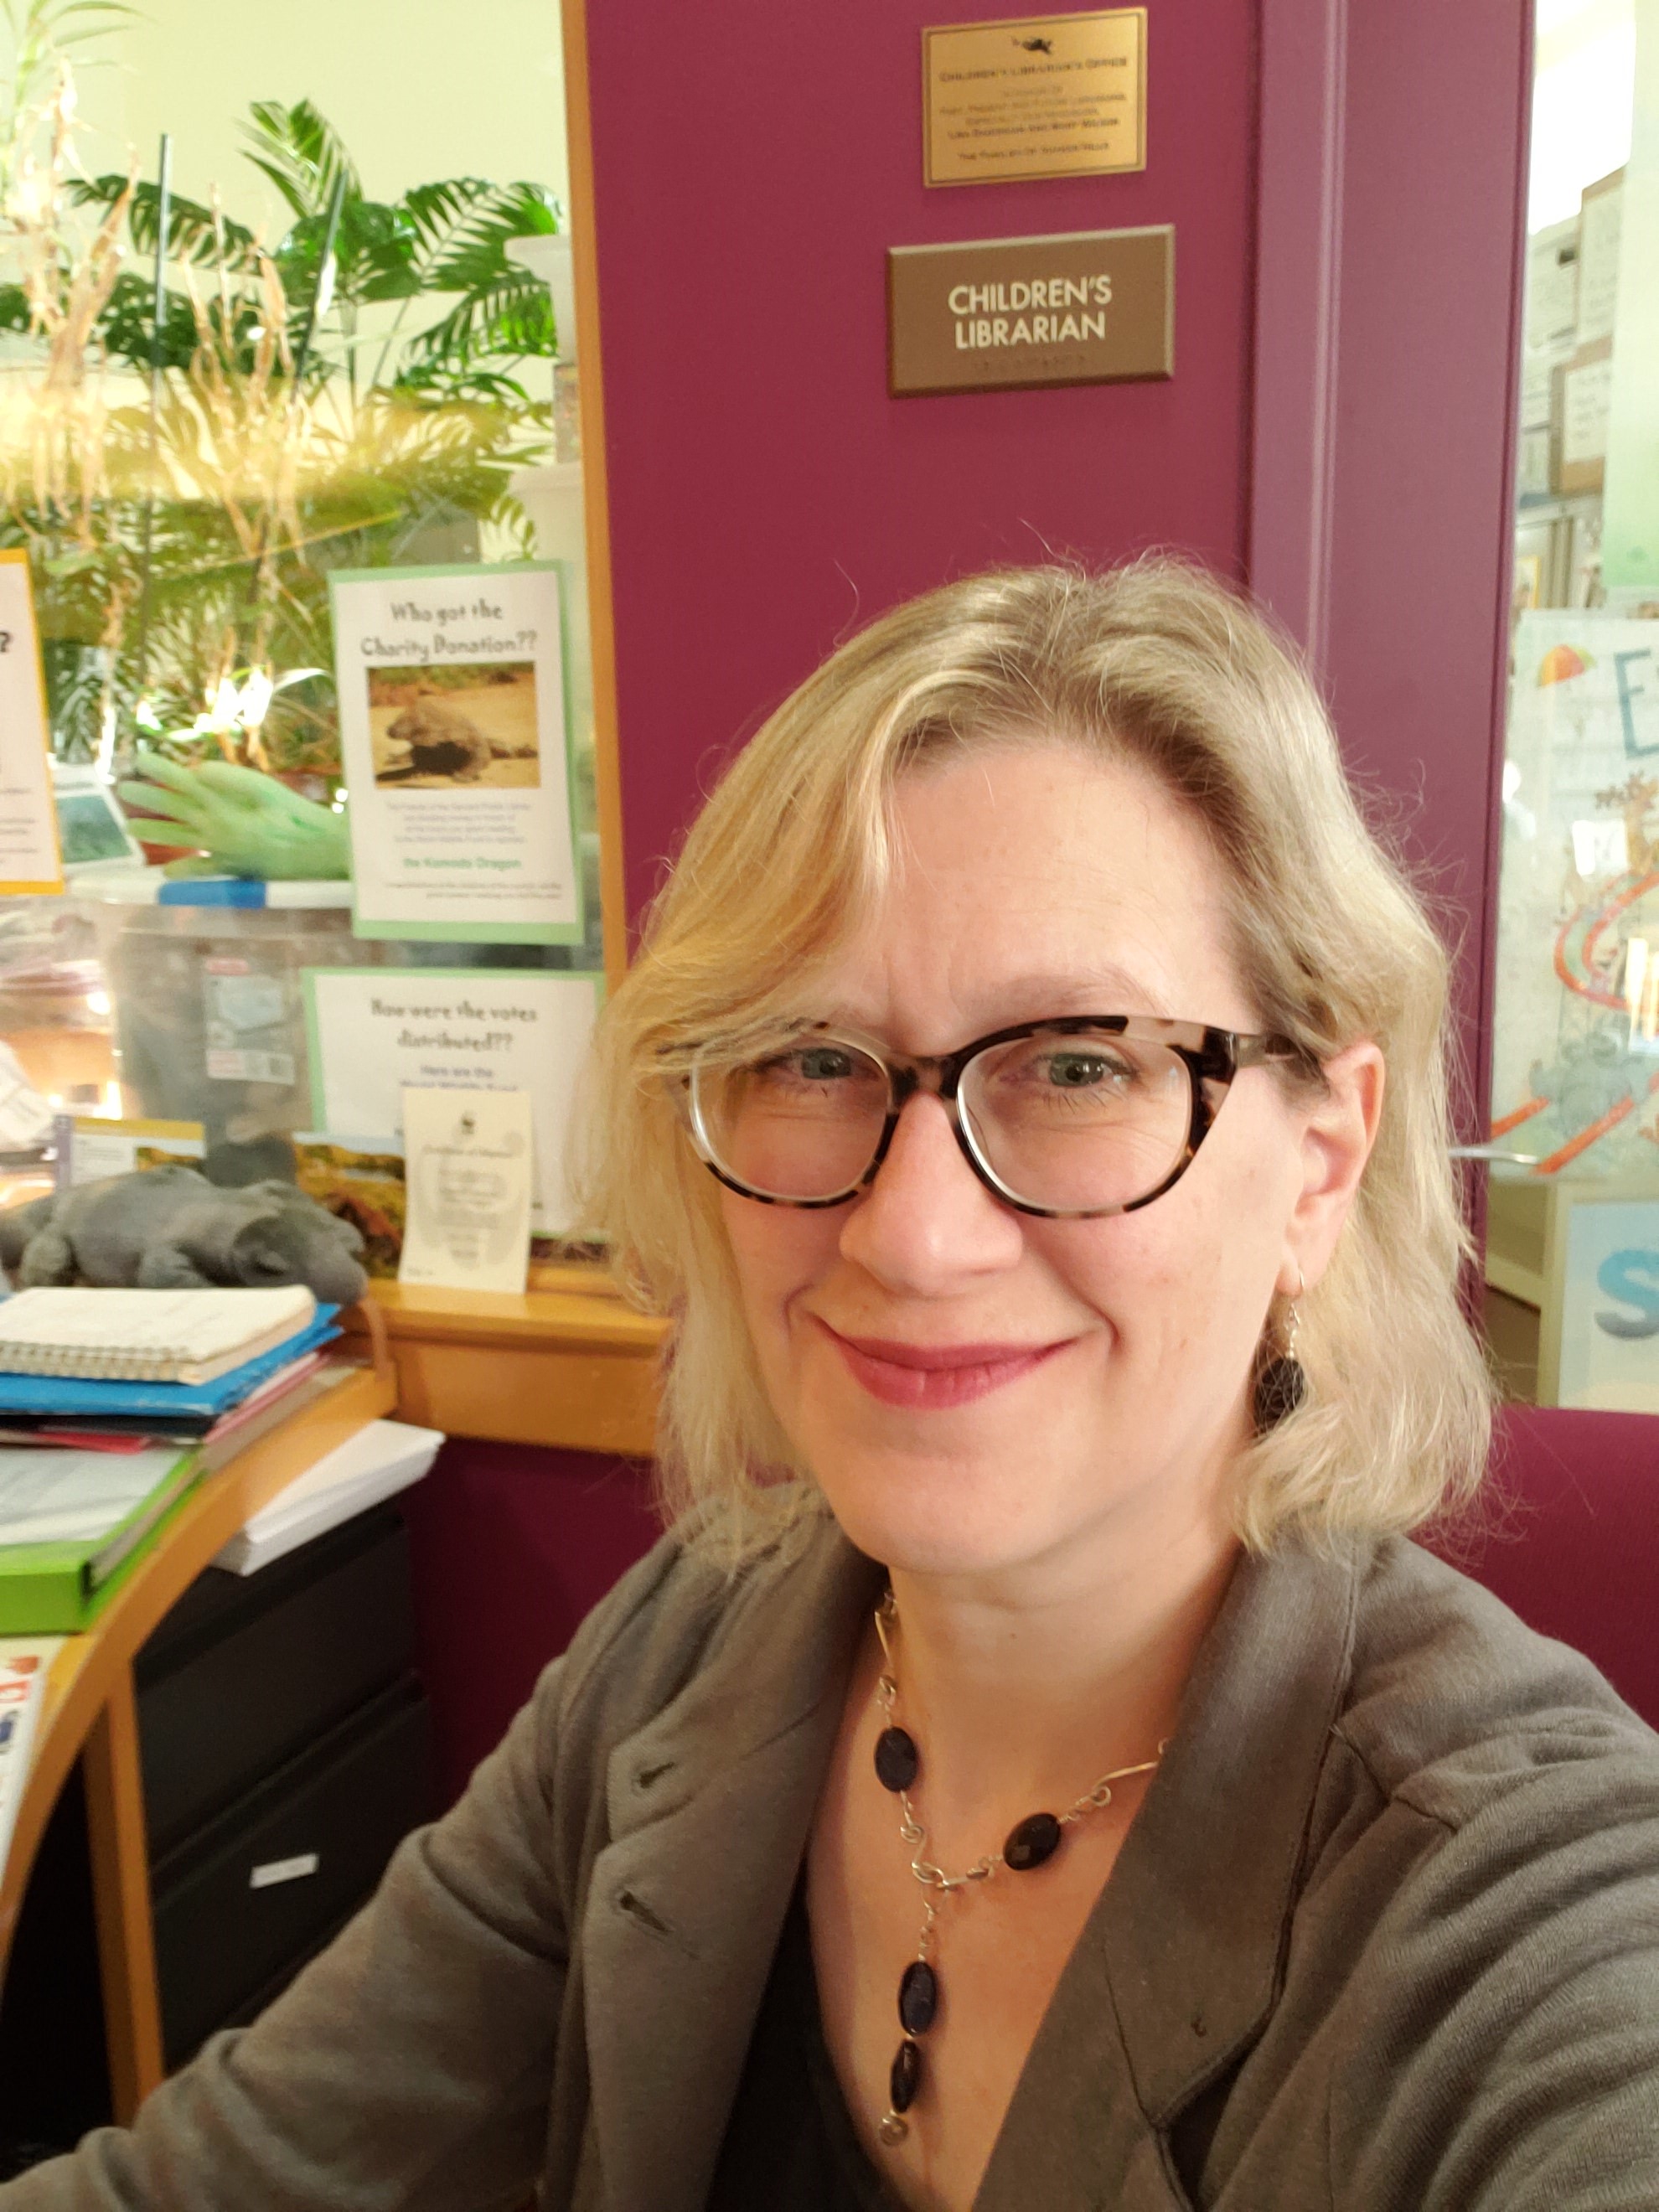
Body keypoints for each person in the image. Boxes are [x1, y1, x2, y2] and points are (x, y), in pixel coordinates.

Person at [8, 560, 1659, 2212]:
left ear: (1320, 1156)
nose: (915, 1234)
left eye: (1081, 1063)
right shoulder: (693, 1652)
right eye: (811, 1058)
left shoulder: (1505, 1909)